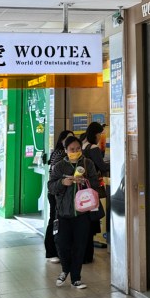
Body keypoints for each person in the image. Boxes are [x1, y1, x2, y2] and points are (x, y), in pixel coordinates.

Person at [49, 135, 100, 289]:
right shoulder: (59, 166)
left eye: (78, 148)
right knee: (62, 243)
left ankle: (76, 278)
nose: (75, 151)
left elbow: (96, 183)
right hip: (63, 212)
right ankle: (65, 269)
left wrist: (85, 182)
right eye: (72, 149)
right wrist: (63, 182)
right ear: (65, 150)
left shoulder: (87, 163)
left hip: (82, 213)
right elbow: (51, 187)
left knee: (80, 245)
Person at [44, 130, 74, 262]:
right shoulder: (60, 154)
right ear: (62, 140)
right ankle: (51, 252)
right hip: (56, 192)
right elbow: (56, 174)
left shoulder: (58, 152)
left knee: (57, 221)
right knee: (54, 221)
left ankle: (58, 251)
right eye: (68, 138)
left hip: (60, 192)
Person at [80, 122, 109, 256]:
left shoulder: (82, 145)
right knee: (93, 217)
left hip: (82, 187)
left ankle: (84, 250)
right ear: (96, 134)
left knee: (85, 217)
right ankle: (88, 252)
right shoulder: (93, 148)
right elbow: (102, 166)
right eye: (100, 134)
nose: (100, 137)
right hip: (92, 186)